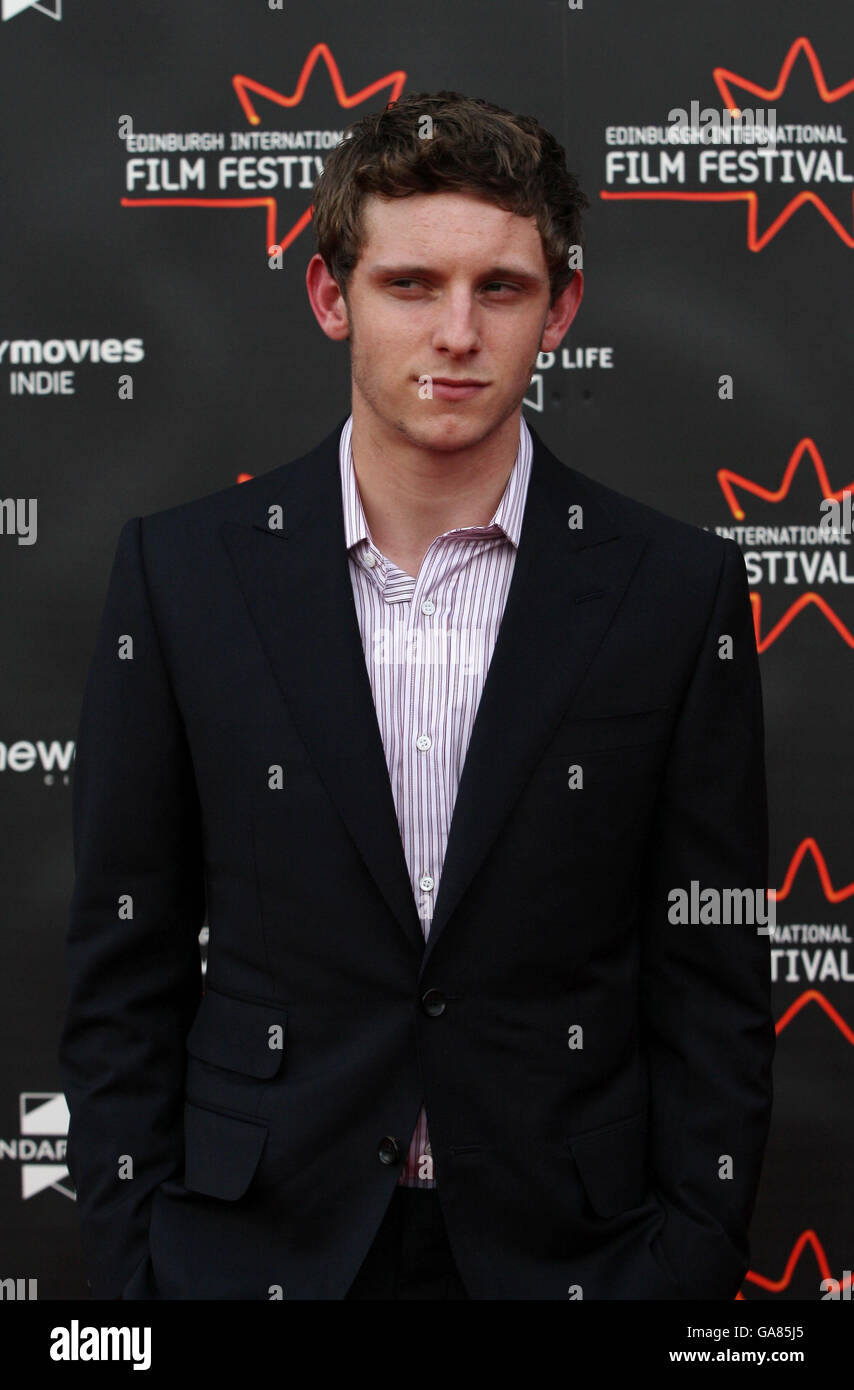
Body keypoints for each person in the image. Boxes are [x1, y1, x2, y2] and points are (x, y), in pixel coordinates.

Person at [59, 90, 775, 1301]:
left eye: (498, 286)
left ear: (561, 308)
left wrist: (687, 1261)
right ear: (330, 296)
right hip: (252, 1248)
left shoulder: (673, 587)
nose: (456, 332)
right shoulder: (183, 574)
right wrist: (140, 1266)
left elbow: (708, 975)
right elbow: (121, 964)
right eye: (408, 285)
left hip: (574, 1256)